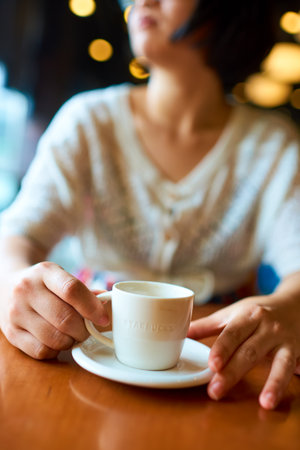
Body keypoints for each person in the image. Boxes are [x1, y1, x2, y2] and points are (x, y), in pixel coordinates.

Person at [0, 0, 300, 410]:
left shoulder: (274, 146)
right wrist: (12, 280)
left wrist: (287, 305)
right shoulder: (89, 121)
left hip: (220, 368)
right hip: (90, 357)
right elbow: (17, 233)